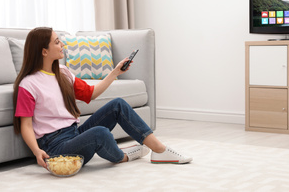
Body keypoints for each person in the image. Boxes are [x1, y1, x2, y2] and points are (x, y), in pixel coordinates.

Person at [13, 27, 192, 169]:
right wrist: (37, 152)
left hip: (75, 133)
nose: (62, 45)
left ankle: (159, 150)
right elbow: (26, 125)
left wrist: (115, 72)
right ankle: (124, 156)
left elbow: (91, 93)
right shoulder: (28, 84)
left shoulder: (63, 72)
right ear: (44, 51)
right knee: (100, 133)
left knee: (118, 105)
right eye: (57, 42)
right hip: (55, 147)